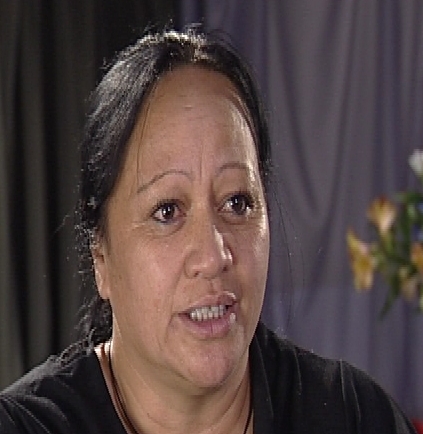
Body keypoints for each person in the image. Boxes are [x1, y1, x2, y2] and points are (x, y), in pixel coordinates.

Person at [0, 27, 417, 434]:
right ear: (101, 256)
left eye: (237, 203)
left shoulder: (355, 417)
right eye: (167, 211)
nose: (214, 257)